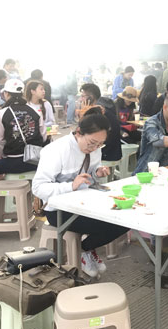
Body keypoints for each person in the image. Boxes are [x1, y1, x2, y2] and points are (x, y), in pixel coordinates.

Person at [32, 110, 129, 278]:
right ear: (78, 133)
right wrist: (71, 185)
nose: (94, 148)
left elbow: (88, 176)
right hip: (58, 210)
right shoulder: (56, 150)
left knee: (126, 218)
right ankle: (85, 250)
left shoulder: (95, 149)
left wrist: (97, 173)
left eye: (100, 144)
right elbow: (38, 188)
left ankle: (86, 248)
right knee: (113, 224)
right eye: (92, 143)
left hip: (85, 202)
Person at [0, 79, 46, 194]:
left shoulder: (1, 114)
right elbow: (43, 136)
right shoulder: (36, 111)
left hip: (13, 161)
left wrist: (4, 155)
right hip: (35, 161)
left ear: (6, 94)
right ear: (22, 94)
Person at [79, 83, 122, 163]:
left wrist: (83, 116)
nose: (80, 99)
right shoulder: (105, 107)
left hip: (106, 153)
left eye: (83, 96)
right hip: (114, 151)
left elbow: (83, 132)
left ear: (91, 97)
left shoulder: (98, 112)